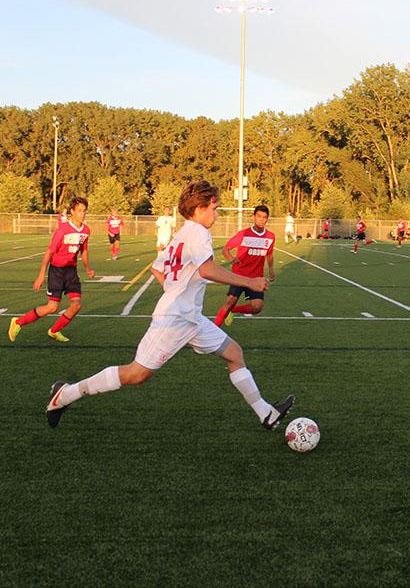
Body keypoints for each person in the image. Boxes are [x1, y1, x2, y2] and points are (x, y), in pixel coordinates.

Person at [44, 180, 294, 431]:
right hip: (174, 319)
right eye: (214, 208)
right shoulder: (197, 232)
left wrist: (174, 289)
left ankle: (266, 413)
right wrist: (250, 281)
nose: (216, 215)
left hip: (191, 318)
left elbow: (157, 267)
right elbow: (207, 269)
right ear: (199, 209)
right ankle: (65, 395)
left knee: (234, 354)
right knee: (136, 374)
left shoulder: (183, 233)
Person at [8, 196, 95, 343]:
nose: (82, 214)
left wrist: (88, 268)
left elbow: (84, 251)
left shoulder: (86, 231)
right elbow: (49, 253)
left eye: (84, 211)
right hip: (56, 271)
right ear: (72, 211)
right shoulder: (62, 230)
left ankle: (54, 331)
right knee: (52, 307)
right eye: (79, 210)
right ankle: (18, 322)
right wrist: (41, 275)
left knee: (76, 305)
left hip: (71, 272)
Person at [214, 205, 276, 327]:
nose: (261, 220)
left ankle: (234, 311)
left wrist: (271, 269)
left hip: (256, 278)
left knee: (257, 307)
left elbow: (269, 254)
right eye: (259, 216)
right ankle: (213, 330)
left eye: (264, 217)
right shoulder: (244, 234)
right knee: (230, 302)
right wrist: (232, 259)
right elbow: (226, 249)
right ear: (254, 217)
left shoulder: (270, 236)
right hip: (239, 276)